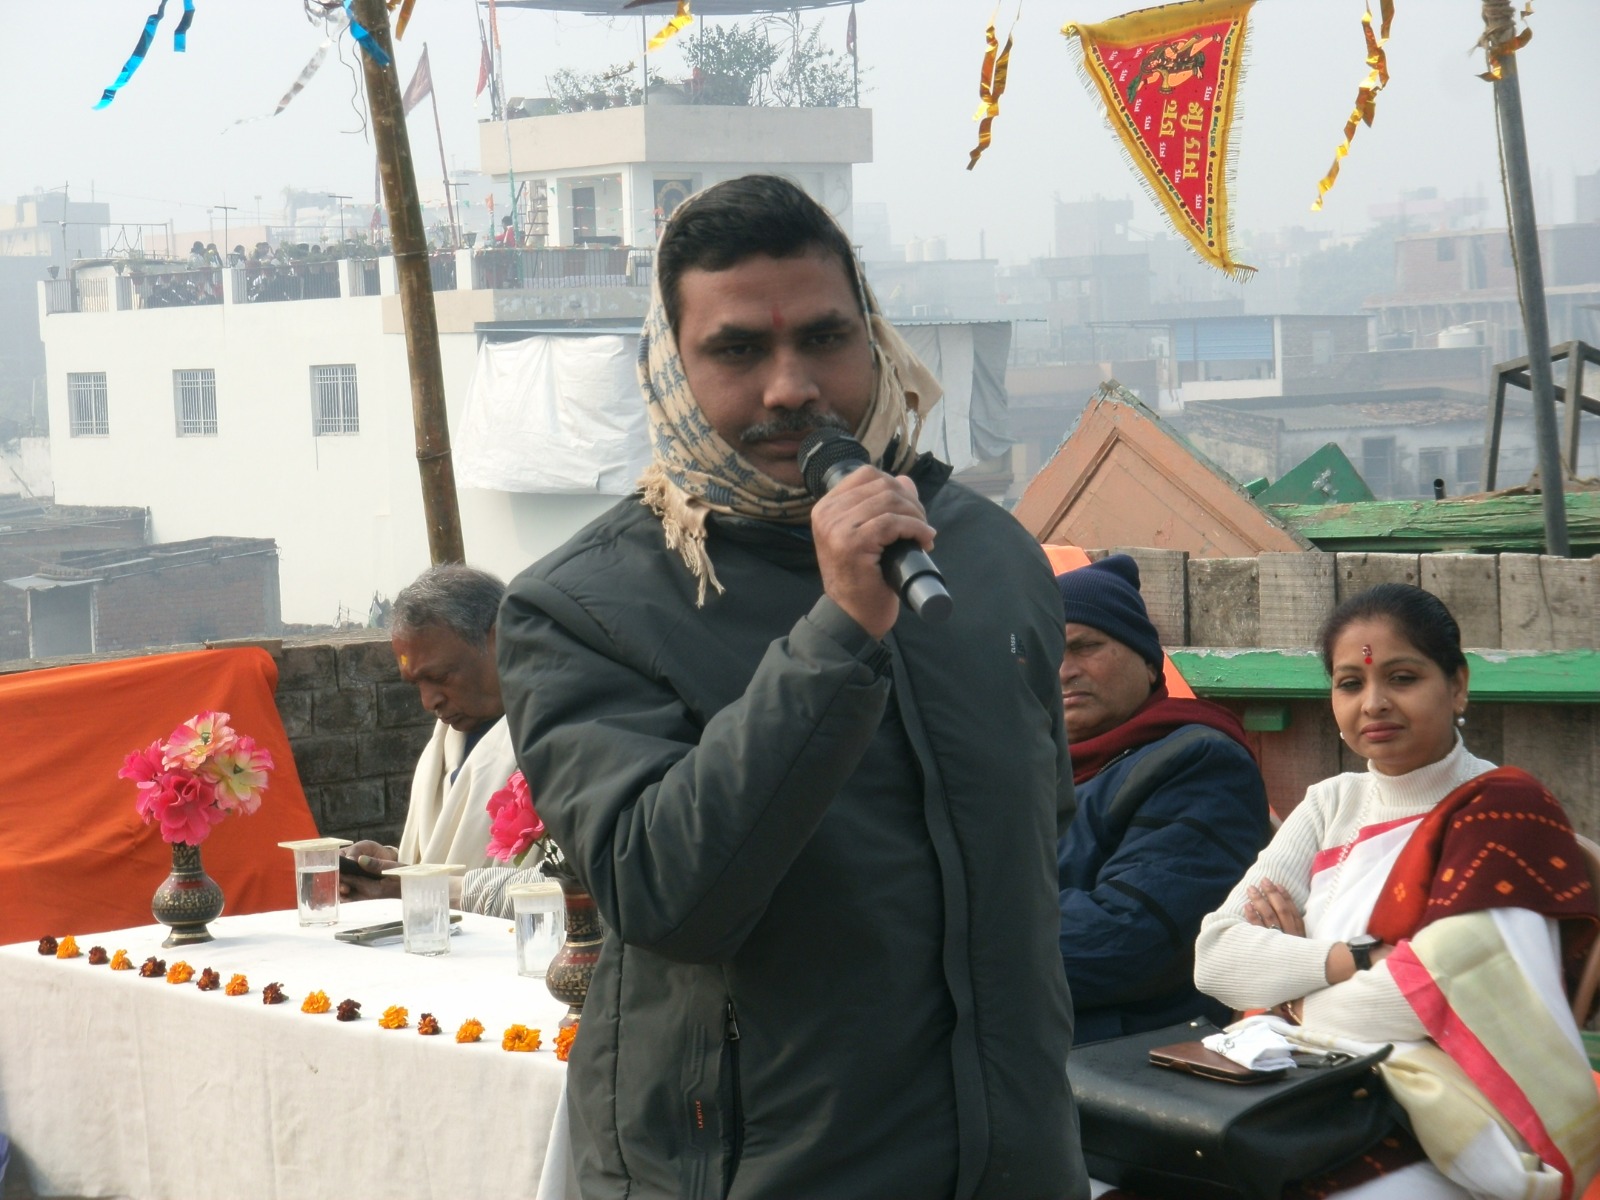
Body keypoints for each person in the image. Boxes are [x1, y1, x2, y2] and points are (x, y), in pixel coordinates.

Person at [498, 174, 1086, 1200]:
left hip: (1013, 1163)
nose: (790, 388)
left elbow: (1039, 840)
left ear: (874, 339)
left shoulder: (987, 557)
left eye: (824, 339)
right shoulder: (583, 607)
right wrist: (840, 630)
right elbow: (664, 897)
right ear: (670, 370)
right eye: (737, 352)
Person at [1194, 584, 1599, 1199]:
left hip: (1456, 1113)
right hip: (1310, 1088)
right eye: (1350, 683)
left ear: (1457, 686)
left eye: (1402, 678)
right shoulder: (1332, 803)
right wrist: (1356, 958)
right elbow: (1215, 958)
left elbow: (1426, 1003)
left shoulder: (1504, 812)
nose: (1374, 704)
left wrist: (1284, 992)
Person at [1054, 555, 1270, 1044]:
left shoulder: (1200, 763)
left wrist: (953, 941)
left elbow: (1129, 940)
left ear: (1150, 664)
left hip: (1129, 1055)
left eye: (1086, 647)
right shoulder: (1022, 770)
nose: (1064, 670)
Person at [340, 564, 533, 916]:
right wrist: (391, 865)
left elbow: (573, 887)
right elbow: (443, 857)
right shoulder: (442, 748)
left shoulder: (562, 739)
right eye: (417, 684)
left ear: (499, 639)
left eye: (441, 677)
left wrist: (416, 887)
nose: (429, 702)